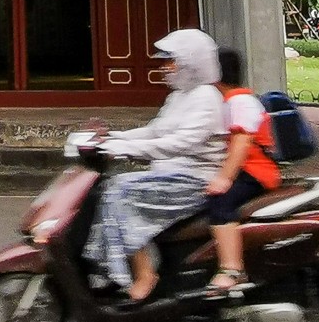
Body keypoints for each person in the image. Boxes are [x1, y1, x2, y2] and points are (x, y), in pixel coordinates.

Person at [82, 29, 225, 302]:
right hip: (170, 174)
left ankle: (145, 273)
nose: (164, 68)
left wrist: (124, 149)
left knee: (119, 192)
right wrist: (111, 138)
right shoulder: (178, 97)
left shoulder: (206, 97)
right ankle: (113, 268)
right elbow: (154, 132)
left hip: (194, 180)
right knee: (108, 189)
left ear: (190, 62)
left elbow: (180, 143)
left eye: (170, 62)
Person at [204, 48, 283, 298]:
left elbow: (241, 143)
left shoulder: (240, 102)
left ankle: (232, 269)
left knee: (220, 203)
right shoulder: (231, 101)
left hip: (256, 173)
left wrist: (224, 179)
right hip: (249, 170)